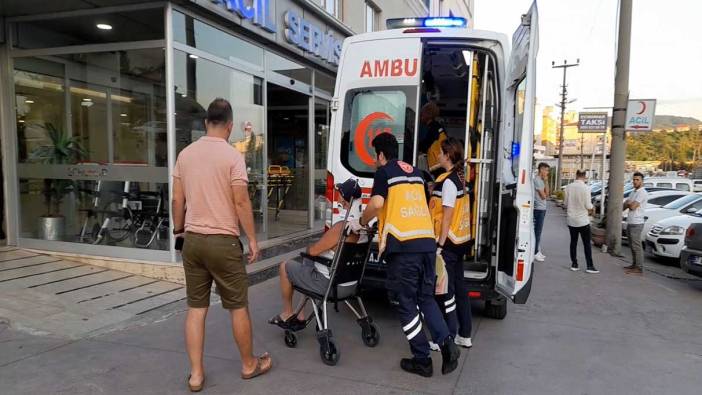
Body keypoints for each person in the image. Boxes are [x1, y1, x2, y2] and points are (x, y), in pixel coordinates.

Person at [172, 98, 271, 391]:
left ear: (206, 123)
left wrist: (179, 232)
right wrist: (252, 239)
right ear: (229, 126)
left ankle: (196, 375)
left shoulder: (186, 155)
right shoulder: (232, 156)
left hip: (192, 241)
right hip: (223, 243)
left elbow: (178, 199)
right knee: (238, 306)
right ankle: (249, 364)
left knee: (196, 308)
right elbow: (241, 201)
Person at [359, 133, 460, 378]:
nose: (375, 160)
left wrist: (362, 221)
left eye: (375, 155)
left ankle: (422, 359)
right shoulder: (416, 172)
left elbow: (378, 203)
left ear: (381, 155)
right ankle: (447, 344)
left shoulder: (384, 173)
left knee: (405, 303)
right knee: (425, 298)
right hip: (426, 244)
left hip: (404, 247)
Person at [269, 179, 362, 328]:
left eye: (339, 192)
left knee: (285, 266)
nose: (337, 194)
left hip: (328, 285)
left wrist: (314, 247)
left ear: (344, 200)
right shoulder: (361, 229)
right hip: (350, 284)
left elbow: (312, 251)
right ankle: (300, 313)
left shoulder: (341, 228)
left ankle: (287, 313)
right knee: (309, 262)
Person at [427, 137, 473, 351]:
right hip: (461, 240)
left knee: (445, 292)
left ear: (448, 156)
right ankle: (465, 335)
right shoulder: (459, 178)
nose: (437, 155)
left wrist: (440, 246)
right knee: (460, 289)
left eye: (441, 152)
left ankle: (446, 336)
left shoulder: (448, 182)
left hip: (448, 243)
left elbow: (446, 217)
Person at [564, 170, 599, 274]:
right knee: (586, 244)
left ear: (576, 175)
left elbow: (565, 203)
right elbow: (588, 206)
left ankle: (574, 264)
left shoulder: (568, 187)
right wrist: (593, 208)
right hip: (583, 220)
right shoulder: (586, 188)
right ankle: (589, 266)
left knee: (573, 242)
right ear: (584, 176)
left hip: (571, 220)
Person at [624, 172, 648, 275]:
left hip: (637, 222)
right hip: (630, 221)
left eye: (637, 180)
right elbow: (624, 206)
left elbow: (632, 206)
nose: (635, 181)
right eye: (634, 180)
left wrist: (629, 203)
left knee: (636, 246)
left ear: (642, 181)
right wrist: (629, 204)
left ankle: (639, 268)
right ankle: (634, 265)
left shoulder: (642, 192)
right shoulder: (633, 192)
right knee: (632, 245)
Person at [417, 102, 447, 178]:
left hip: (438, 165)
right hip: (440, 163)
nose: (420, 117)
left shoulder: (433, 128)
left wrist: (414, 146)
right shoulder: (437, 127)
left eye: (422, 114)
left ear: (428, 115)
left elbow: (425, 145)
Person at [533, 163, 551, 261]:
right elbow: (544, 196)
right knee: (537, 231)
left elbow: (547, 194)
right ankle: (535, 252)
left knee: (538, 231)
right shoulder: (537, 180)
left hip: (542, 209)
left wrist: (546, 181)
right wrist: (545, 181)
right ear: (541, 170)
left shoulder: (542, 180)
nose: (547, 172)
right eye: (546, 170)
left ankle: (537, 251)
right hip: (538, 209)